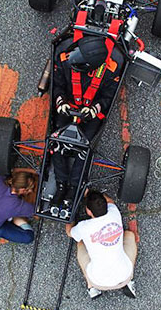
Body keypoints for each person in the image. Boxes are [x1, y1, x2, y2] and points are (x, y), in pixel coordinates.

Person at [51, 36, 123, 205]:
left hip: (91, 113)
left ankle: (74, 188)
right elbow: (57, 84)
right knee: (56, 141)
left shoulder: (112, 70)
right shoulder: (64, 58)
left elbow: (108, 97)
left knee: (86, 147)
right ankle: (61, 184)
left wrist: (95, 109)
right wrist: (60, 101)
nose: (71, 58)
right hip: (67, 106)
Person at [65, 190, 138, 299]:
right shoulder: (114, 212)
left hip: (97, 281)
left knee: (80, 242)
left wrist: (69, 215)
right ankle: (129, 281)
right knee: (130, 235)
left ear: (88, 211)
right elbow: (110, 201)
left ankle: (91, 287)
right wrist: (93, 193)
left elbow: (69, 232)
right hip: (124, 276)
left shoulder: (84, 227)